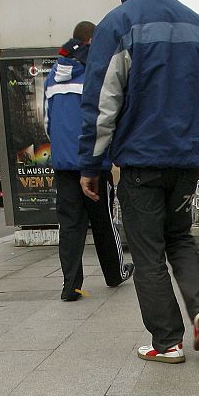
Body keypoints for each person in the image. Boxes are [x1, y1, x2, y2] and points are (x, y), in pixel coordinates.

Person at [78, 0, 199, 363]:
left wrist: (92, 164)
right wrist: (191, 124)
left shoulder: (116, 25)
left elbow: (102, 105)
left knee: (147, 251)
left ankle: (167, 341)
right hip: (185, 160)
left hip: (140, 162)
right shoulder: (198, 25)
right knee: (179, 238)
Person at [45, 22, 132, 301]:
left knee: (70, 226)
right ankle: (115, 273)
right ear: (92, 40)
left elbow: (47, 122)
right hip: (93, 162)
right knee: (104, 220)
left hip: (63, 164)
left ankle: (70, 285)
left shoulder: (52, 77)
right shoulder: (95, 73)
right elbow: (104, 116)